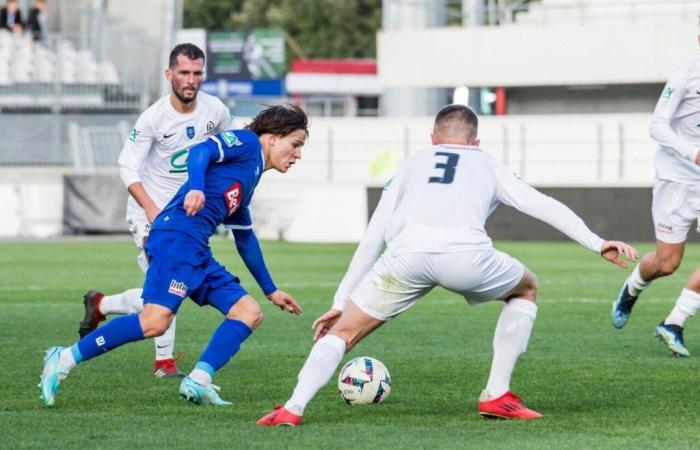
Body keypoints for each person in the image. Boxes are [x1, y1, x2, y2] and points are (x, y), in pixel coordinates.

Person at [257, 104, 638, 425]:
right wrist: (596, 242)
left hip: (405, 257)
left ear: (433, 138)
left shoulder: (411, 162)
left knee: (342, 332)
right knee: (526, 287)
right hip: (467, 257)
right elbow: (540, 204)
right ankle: (496, 394)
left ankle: (292, 408)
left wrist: (342, 300)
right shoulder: (487, 162)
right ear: (475, 141)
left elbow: (374, 234)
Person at [40, 104, 308, 407]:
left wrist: (271, 290)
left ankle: (199, 380)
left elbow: (244, 237)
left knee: (248, 312)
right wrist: (196, 188)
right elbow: (200, 152)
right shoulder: (247, 144)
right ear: (272, 137)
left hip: (196, 248)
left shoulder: (251, 174)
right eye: (295, 144)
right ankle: (62, 359)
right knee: (155, 321)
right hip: (175, 238)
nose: (298, 154)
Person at [77, 43, 234, 378]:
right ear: (169, 75)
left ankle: (102, 304)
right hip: (151, 215)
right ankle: (163, 363)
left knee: (166, 290)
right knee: (169, 286)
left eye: (197, 73)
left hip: (190, 217)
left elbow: (223, 154)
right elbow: (127, 168)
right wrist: (150, 209)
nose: (191, 80)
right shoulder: (153, 118)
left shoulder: (217, 112)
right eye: (184, 73)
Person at [610, 44, 700, 357]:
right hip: (676, 179)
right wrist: (693, 153)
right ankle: (631, 289)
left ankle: (673, 323)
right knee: (667, 263)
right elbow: (657, 125)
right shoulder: (687, 74)